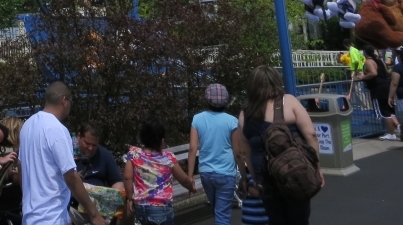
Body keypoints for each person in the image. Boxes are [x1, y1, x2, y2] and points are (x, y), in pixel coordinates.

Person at [237, 65, 322, 225]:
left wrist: (256, 179)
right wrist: (315, 167)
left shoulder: (245, 114)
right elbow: (311, 135)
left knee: (276, 220)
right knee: (299, 219)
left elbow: (245, 152)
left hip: (266, 177)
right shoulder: (289, 102)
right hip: (295, 171)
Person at [19, 82, 105, 225]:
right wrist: (94, 214)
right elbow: (71, 177)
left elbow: (22, 168)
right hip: (51, 218)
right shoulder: (57, 129)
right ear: (64, 101)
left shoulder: (27, 126)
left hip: (30, 218)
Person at [123, 119, 195, 225]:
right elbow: (183, 180)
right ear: (161, 141)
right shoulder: (168, 158)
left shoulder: (134, 154)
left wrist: (130, 198)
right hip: (162, 209)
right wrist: (191, 187)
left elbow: (127, 177)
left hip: (140, 208)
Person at [188, 84, 239, 225]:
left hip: (206, 172)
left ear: (207, 99)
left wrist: (190, 176)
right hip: (226, 172)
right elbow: (237, 151)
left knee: (216, 210)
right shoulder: (232, 121)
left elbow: (193, 148)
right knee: (222, 214)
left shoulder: (197, 119)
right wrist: (244, 177)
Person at [356, 45, 400, 141]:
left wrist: (363, 77)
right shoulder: (380, 60)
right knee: (390, 110)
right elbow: (387, 72)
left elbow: (374, 73)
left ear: (365, 52)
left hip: (378, 88)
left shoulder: (368, 61)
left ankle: (392, 133)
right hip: (386, 85)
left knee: (384, 112)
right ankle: (399, 127)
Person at [74, 123, 124, 191]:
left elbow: (116, 181)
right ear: (79, 137)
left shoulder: (105, 155)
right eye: (87, 143)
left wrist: (120, 192)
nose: (90, 148)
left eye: (94, 145)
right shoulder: (68, 153)